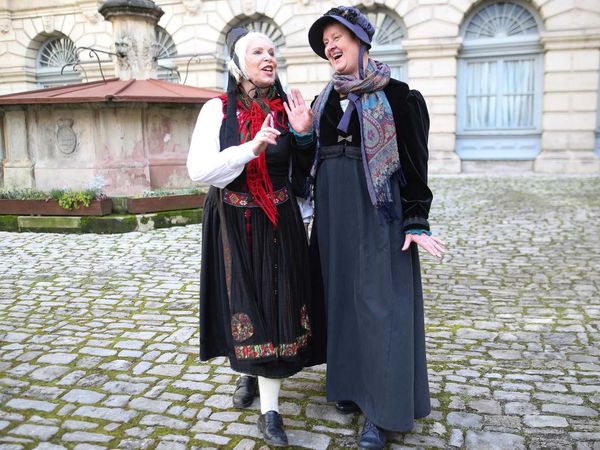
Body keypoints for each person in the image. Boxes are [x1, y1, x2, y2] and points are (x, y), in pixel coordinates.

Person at [306, 7, 446, 450]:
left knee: (380, 305)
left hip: (379, 214)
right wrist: (302, 134)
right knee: (342, 300)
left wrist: (417, 218)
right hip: (334, 214)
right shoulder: (322, 100)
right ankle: (348, 386)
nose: (330, 44)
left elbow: (414, 165)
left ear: (360, 40)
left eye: (337, 35)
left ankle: (381, 413)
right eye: (325, 38)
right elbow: (305, 164)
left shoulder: (401, 97)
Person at [187, 27, 322, 447]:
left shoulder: (285, 110)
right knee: (244, 301)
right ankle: (249, 374)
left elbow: (303, 172)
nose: (269, 58)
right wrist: (252, 147)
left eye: (272, 51)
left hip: (279, 220)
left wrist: (302, 135)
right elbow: (202, 171)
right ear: (237, 63)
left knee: (278, 304)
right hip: (233, 220)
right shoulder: (217, 110)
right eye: (258, 52)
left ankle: (270, 411)